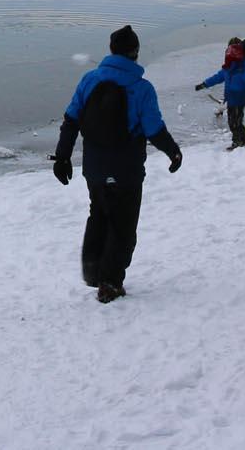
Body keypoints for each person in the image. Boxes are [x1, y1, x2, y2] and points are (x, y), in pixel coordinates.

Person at [53, 25, 184, 303]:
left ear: (111, 50)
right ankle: (110, 283)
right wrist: (173, 152)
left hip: (95, 168)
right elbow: (153, 129)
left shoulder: (89, 80)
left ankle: (93, 268)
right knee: (123, 225)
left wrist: (63, 157)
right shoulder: (141, 88)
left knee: (99, 214)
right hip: (126, 170)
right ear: (135, 52)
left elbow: (71, 119)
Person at [194, 38, 245, 150]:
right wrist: (204, 84)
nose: (232, 52)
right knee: (233, 121)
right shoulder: (228, 66)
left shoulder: (243, 67)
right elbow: (218, 77)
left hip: (240, 99)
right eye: (231, 49)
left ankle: (239, 142)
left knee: (235, 122)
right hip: (231, 99)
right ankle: (241, 140)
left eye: (235, 49)